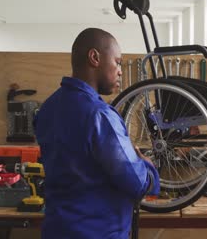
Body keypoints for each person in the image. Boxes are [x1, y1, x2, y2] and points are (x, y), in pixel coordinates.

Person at [34, 28, 159, 239]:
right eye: (117, 62)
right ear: (94, 58)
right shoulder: (100, 115)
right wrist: (149, 168)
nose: (120, 70)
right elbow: (137, 183)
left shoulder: (47, 109)